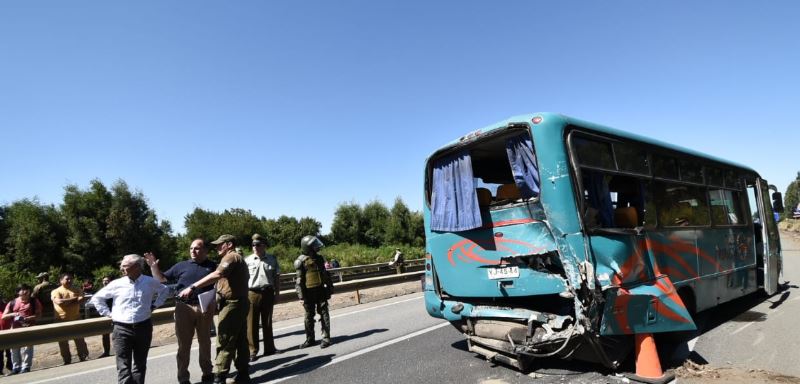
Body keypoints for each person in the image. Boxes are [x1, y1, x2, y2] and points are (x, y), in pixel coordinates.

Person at [178, 234, 250, 384]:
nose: (217, 247)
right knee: (240, 340)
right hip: (239, 303)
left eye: (220, 244)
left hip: (233, 304)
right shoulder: (237, 258)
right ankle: (243, 373)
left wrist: (193, 286)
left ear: (229, 244)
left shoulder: (230, 257)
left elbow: (217, 274)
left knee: (224, 339)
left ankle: (219, 377)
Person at [145, 239, 217, 384]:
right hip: (183, 308)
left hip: (205, 307)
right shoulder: (181, 265)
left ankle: (207, 373)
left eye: (197, 248)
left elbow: (221, 283)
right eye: (191, 248)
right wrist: (154, 267)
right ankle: (183, 378)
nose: (193, 251)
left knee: (205, 342)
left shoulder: (213, 266)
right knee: (184, 345)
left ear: (205, 250)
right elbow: (161, 279)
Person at [90, 254, 169, 384]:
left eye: (125, 266)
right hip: (121, 328)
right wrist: (109, 314)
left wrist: (155, 305)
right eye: (122, 265)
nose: (122, 268)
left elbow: (165, 290)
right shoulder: (116, 284)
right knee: (123, 366)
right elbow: (97, 298)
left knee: (139, 364)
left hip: (143, 326)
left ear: (137, 267)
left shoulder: (149, 282)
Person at [294, 235, 334, 349]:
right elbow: (299, 281)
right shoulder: (300, 261)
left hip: (320, 289)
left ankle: (326, 338)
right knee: (308, 316)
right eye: (313, 245)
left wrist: (330, 286)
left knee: (324, 313)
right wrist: (301, 297)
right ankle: (310, 339)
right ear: (308, 247)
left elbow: (324, 274)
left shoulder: (320, 258)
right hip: (308, 292)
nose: (316, 247)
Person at [245, 233, 280, 361]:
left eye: (258, 244)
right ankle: (252, 351)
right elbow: (243, 279)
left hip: (268, 292)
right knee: (251, 323)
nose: (255, 247)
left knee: (267, 322)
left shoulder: (272, 259)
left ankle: (269, 348)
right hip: (252, 293)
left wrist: (278, 293)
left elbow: (276, 278)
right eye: (253, 245)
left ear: (264, 246)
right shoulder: (247, 260)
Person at [1, 284, 42, 374]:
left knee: (27, 348)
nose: (25, 291)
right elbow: (4, 316)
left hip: (29, 328)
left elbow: (38, 315)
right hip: (15, 329)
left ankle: (26, 367)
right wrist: (14, 314)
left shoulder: (34, 301)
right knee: (14, 349)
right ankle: (16, 368)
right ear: (18, 292)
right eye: (22, 290)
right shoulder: (12, 302)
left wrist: (29, 318)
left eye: (27, 289)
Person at [51, 273, 89, 364]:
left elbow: (81, 299)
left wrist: (68, 302)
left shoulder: (77, 289)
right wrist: (74, 300)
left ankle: (83, 356)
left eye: (71, 279)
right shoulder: (56, 291)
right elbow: (59, 302)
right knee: (63, 342)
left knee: (80, 339)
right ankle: (67, 360)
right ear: (61, 281)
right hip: (61, 319)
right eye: (67, 279)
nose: (69, 281)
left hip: (76, 318)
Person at [99, 275, 114, 358]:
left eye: (107, 280)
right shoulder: (100, 291)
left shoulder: (115, 290)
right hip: (105, 315)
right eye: (104, 280)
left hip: (116, 314)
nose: (105, 282)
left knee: (118, 333)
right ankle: (106, 352)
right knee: (105, 334)